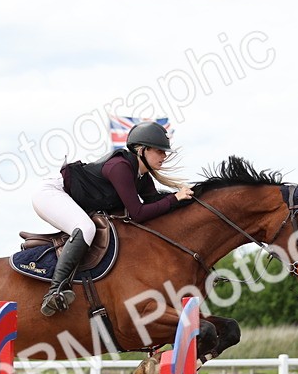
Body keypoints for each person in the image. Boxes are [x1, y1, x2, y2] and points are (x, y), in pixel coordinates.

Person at [31, 121, 195, 316]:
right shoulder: (121, 167)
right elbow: (139, 213)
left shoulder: (142, 177)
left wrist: (187, 200)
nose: (164, 156)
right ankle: (54, 291)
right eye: (159, 151)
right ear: (142, 150)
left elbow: (157, 202)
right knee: (86, 228)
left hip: (66, 196)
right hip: (50, 193)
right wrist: (174, 198)